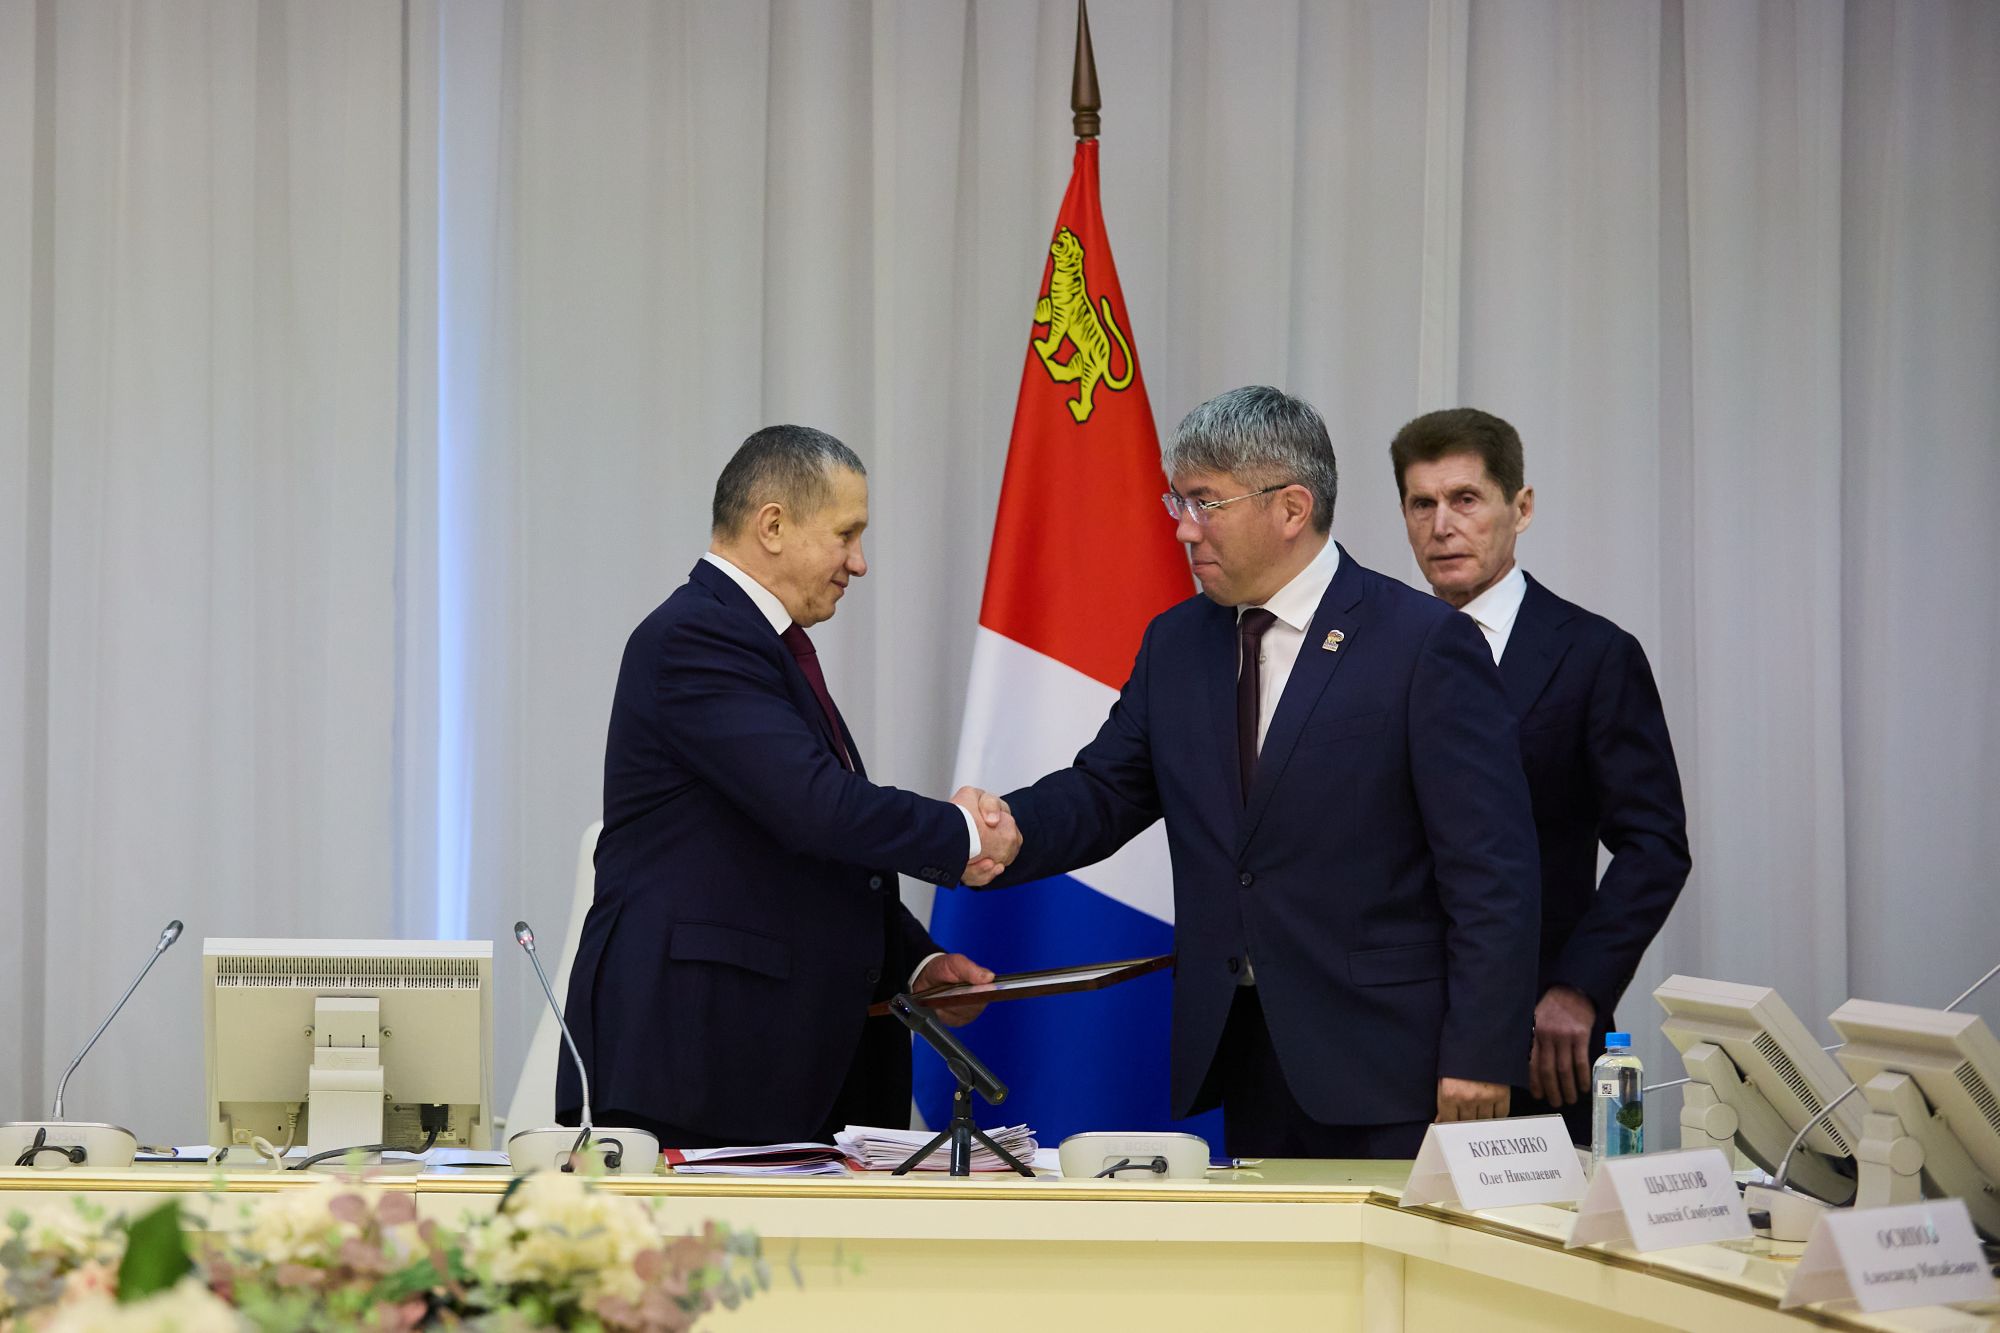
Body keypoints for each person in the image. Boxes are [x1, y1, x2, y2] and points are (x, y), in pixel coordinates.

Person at [972, 386, 1541, 1159]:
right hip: (1246, 1056)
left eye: (1205, 503)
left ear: (1292, 507)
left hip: (1396, 1066)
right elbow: (1105, 790)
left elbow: (1492, 871)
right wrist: (1001, 830)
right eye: (1179, 500)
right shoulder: (1177, 643)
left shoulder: (1422, 643)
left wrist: (1481, 1048)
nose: (1182, 527)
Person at [557, 425, 1017, 1148]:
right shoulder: (695, 637)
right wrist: (961, 832)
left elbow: (797, 854)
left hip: (774, 1066)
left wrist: (916, 963)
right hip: (701, 1066)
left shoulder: (755, 644)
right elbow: (816, 809)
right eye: (846, 534)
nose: (859, 562)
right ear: (772, 525)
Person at [1391, 407, 1691, 1146]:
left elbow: (1654, 845)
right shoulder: (1375, 650)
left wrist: (1579, 986)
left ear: (1520, 508)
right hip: (1388, 1036)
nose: (1442, 526)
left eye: (1465, 499)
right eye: (1422, 504)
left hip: (1539, 1037)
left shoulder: (1593, 654)